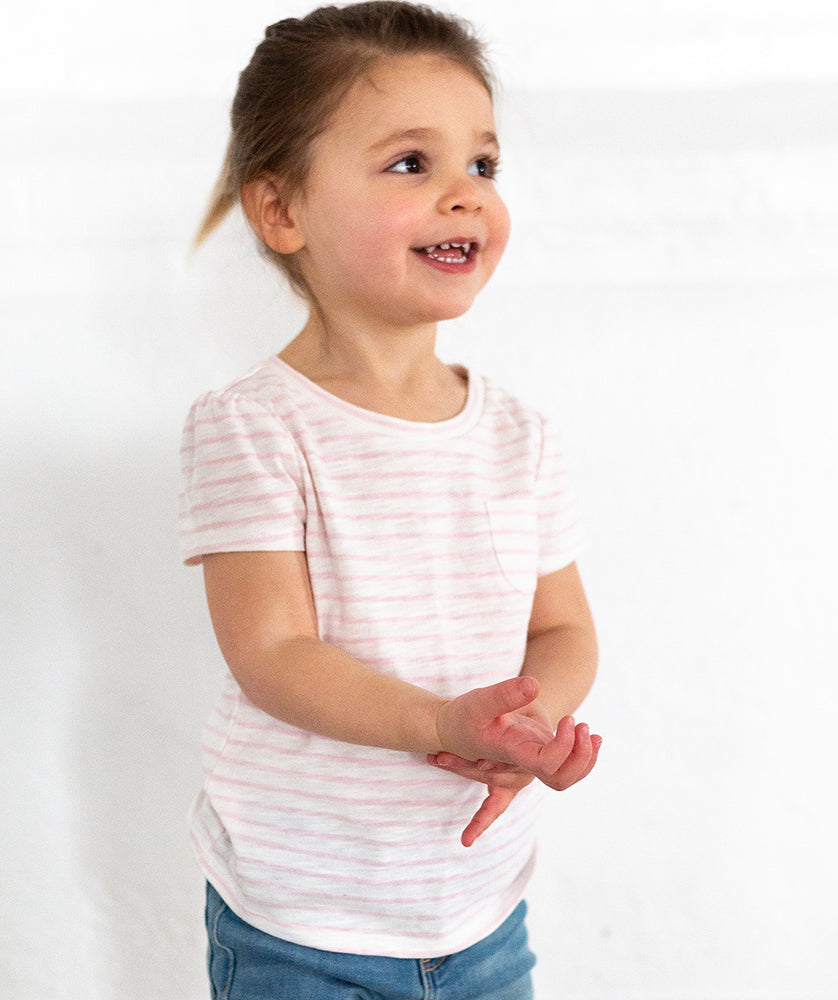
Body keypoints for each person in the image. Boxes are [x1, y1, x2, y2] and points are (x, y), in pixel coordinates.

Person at [179, 3, 601, 997]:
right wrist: (443, 721)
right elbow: (274, 655)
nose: (464, 195)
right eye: (412, 164)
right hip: (301, 918)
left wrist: (525, 725)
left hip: (480, 907)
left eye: (483, 166)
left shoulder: (519, 435)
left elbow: (565, 628)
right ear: (281, 210)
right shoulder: (253, 427)